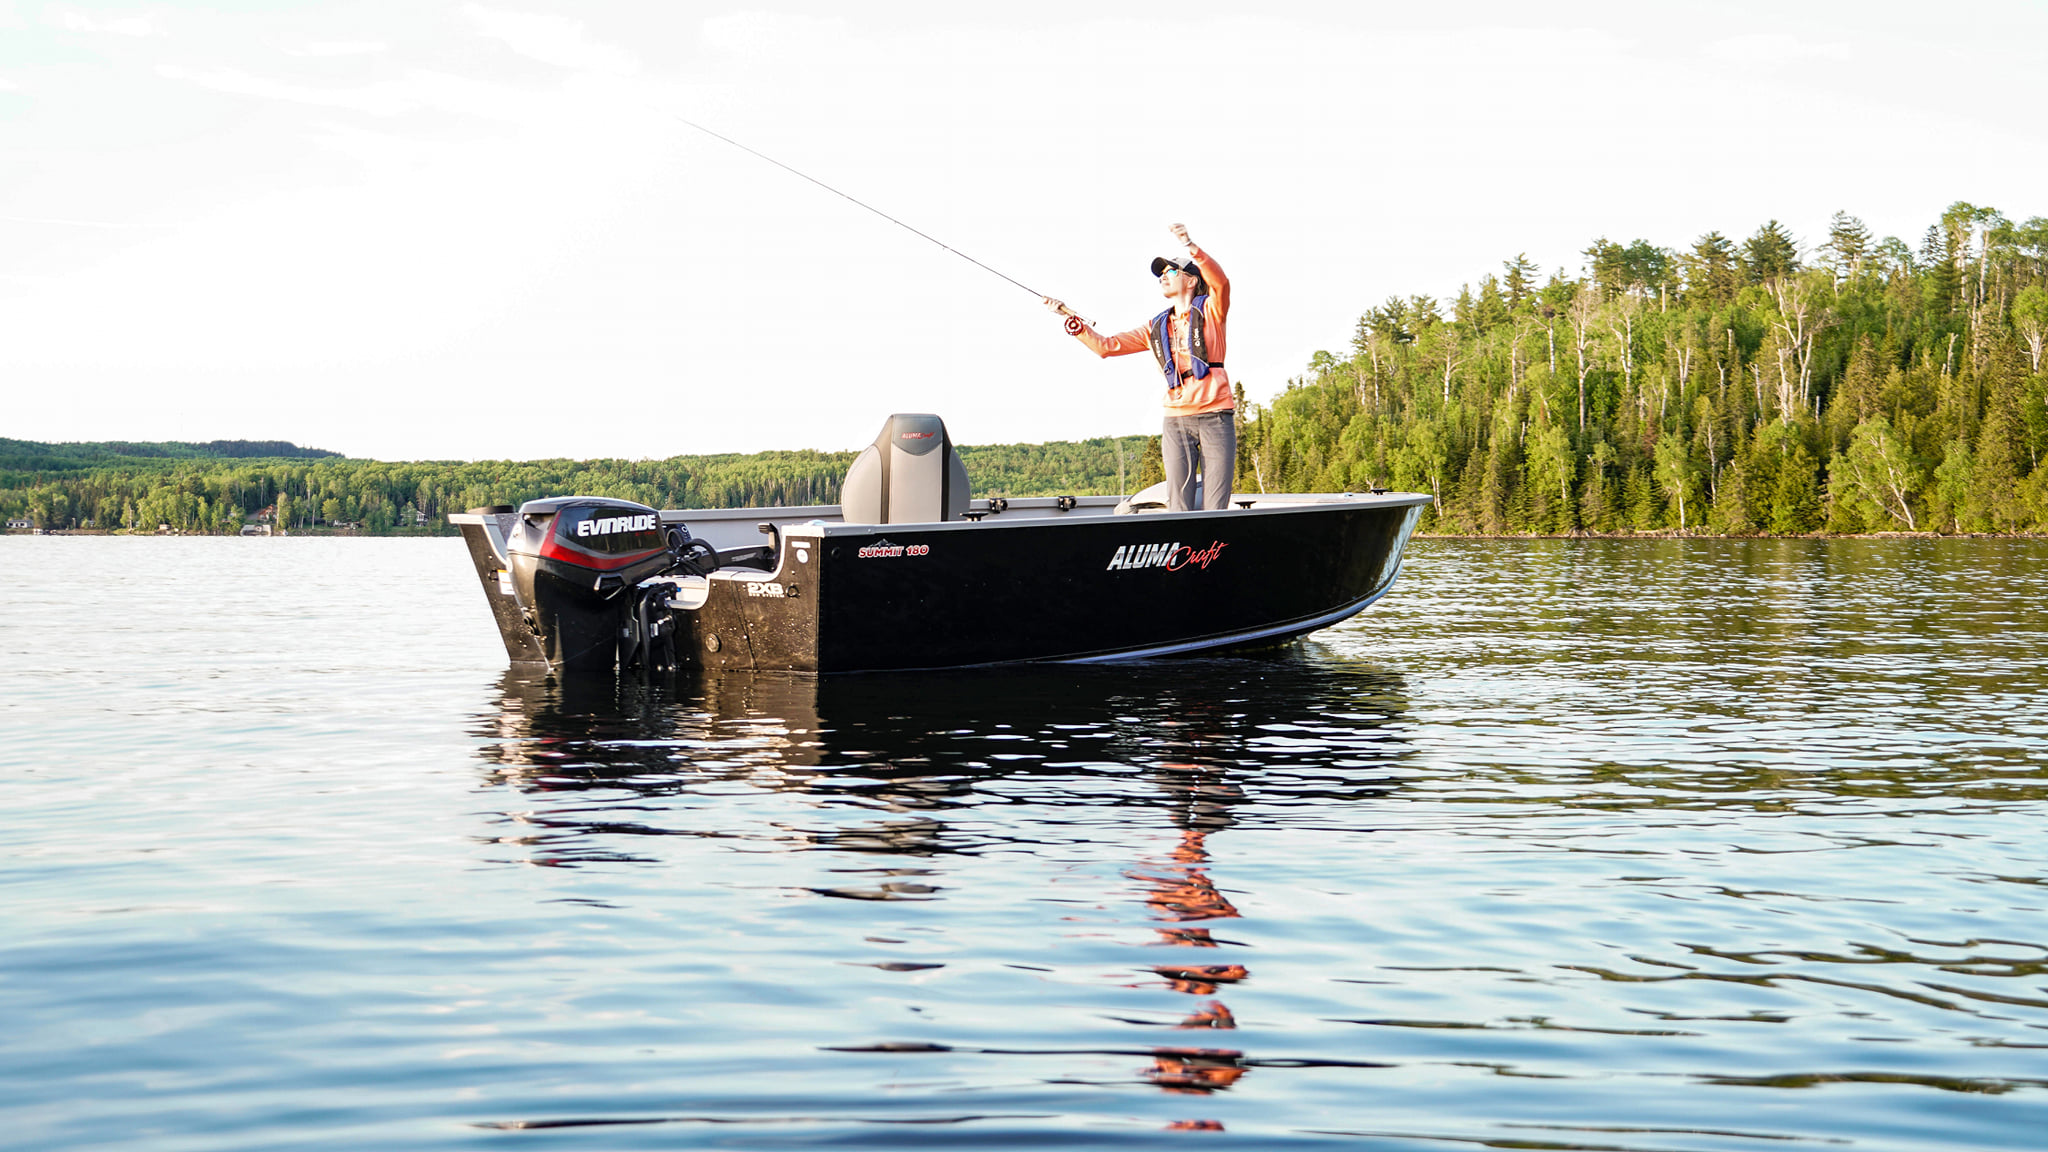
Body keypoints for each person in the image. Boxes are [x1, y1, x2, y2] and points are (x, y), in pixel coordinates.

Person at [1044, 224, 1235, 512]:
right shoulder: (1155, 327)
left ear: (1192, 280)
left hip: (1216, 416)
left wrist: (1190, 246)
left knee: (1214, 505)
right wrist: (1072, 321)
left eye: (1170, 272)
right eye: (1160, 275)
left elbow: (1221, 282)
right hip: (1176, 421)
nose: (1163, 277)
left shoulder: (1211, 310)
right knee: (1178, 506)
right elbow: (1106, 347)